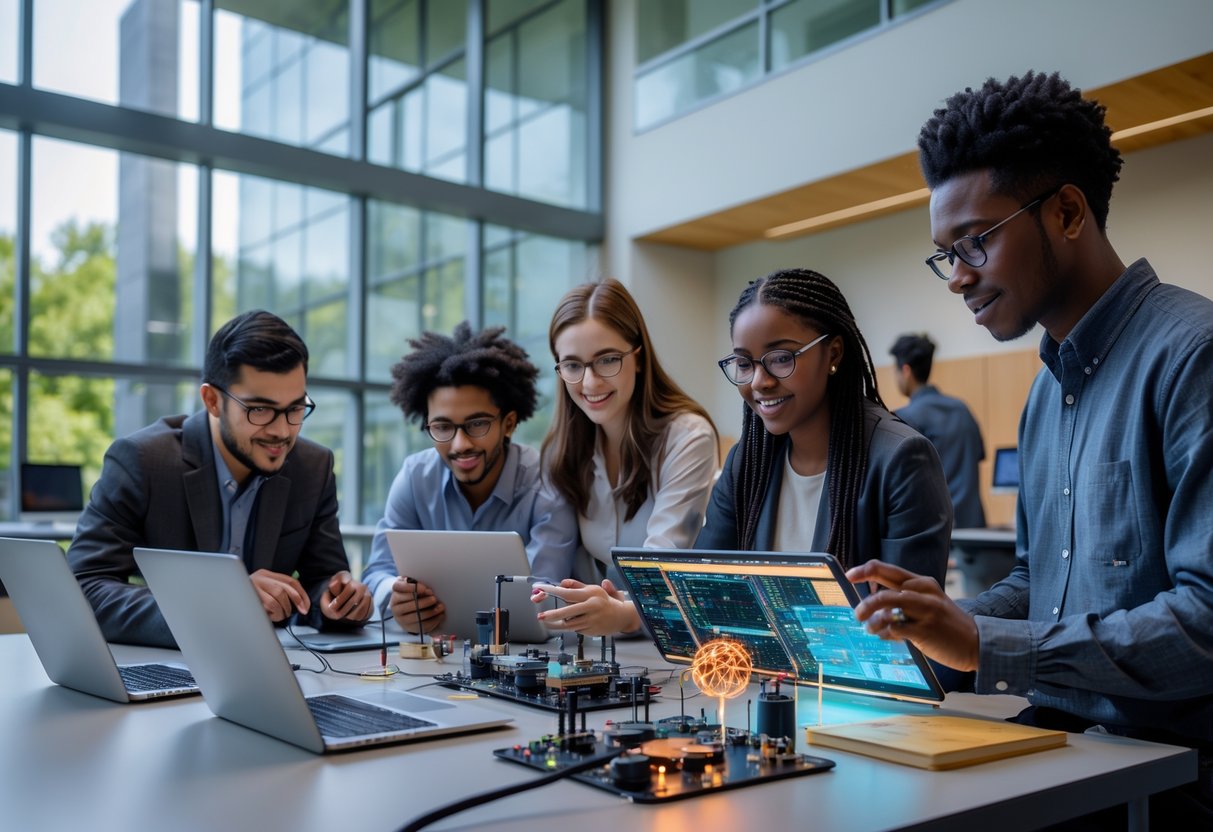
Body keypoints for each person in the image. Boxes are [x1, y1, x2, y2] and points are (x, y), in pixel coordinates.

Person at [850, 71, 1213, 825]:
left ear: (1067, 212)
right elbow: (1036, 579)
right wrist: (931, 629)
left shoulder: (1192, 355)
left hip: (1169, 778)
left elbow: (1205, 620)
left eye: (975, 242)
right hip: (1066, 749)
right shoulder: (1047, 390)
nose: (957, 278)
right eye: (944, 254)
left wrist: (985, 643)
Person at [539, 268, 952, 635]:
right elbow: (700, 589)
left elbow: (912, 630)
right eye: (744, 363)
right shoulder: (749, 462)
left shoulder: (900, 459)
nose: (759, 381)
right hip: (762, 681)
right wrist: (627, 612)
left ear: (834, 354)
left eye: (781, 358)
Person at [68, 310, 372, 648]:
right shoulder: (144, 461)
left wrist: (338, 601)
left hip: (270, 665)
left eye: (295, 409)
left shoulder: (312, 468)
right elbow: (83, 588)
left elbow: (321, 581)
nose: (282, 431)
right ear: (212, 400)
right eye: (259, 410)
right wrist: (220, 603)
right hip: (168, 664)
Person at [360, 322, 578, 633]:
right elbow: (377, 573)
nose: (460, 445)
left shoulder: (547, 486)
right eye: (443, 427)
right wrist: (394, 598)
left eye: (477, 424)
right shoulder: (414, 477)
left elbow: (543, 598)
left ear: (508, 424)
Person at [531, 278, 719, 634]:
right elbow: (550, 563)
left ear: (639, 358)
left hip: (676, 638)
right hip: (603, 641)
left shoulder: (687, 437)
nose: (590, 383)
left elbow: (660, 571)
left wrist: (622, 613)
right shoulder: (563, 450)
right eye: (572, 365)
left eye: (607, 360)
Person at [889, 333, 986, 528]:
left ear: (905, 371)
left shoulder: (904, 418)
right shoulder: (962, 409)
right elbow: (978, 456)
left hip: (937, 533)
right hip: (975, 530)